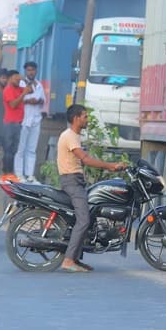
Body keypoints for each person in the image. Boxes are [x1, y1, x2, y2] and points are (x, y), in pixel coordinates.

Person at [56, 104, 129, 273]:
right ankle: (68, 260)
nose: (87, 119)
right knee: (84, 220)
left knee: (89, 216)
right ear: (76, 119)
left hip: (76, 181)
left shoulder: (73, 135)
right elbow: (86, 159)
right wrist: (110, 166)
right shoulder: (70, 136)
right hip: (71, 182)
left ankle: (75, 258)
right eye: (85, 116)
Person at [14, 62, 46, 180]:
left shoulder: (39, 85)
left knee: (32, 149)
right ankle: (19, 173)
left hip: (36, 119)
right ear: (25, 71)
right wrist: (28, 101)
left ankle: (29, 174)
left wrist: (37, 101)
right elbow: (16, 101)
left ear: (36, 71)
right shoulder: (21, 84)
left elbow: (43, 101)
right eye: (28, 70)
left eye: (32, 70)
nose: (31, 72)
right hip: (23, 120)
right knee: (20, 148)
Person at [1, 69, 27, 175]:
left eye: (19, 79)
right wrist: (23, 94)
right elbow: (13, 105)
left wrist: (25, 80)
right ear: (10, 79)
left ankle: (9, 173)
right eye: (16, 79)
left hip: (18, 123)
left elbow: (31, 90)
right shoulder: (8, 90)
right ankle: (7, 173)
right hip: (10, 123)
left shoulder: (19, 88)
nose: (18, 81)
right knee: (8, 150)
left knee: (14, 150)